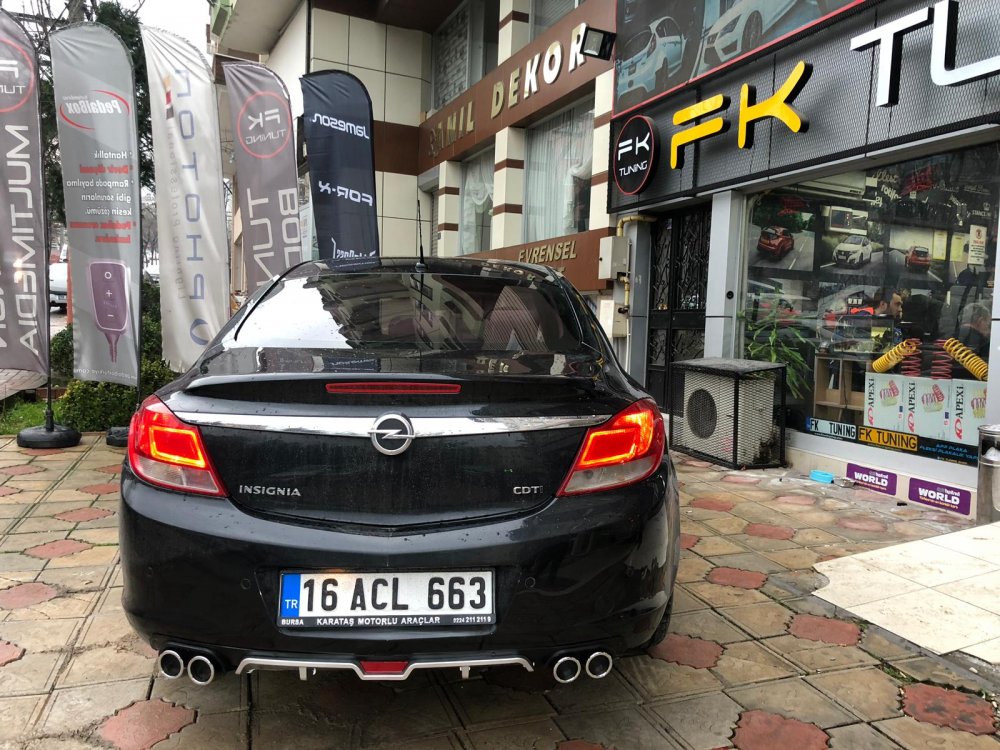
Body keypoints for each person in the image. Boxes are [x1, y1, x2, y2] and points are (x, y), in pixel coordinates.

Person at [952, 302, 991, 378]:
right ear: (980, 321)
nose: (988, 329)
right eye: (988, 324)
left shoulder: (949, 339)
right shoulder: (984, 344)